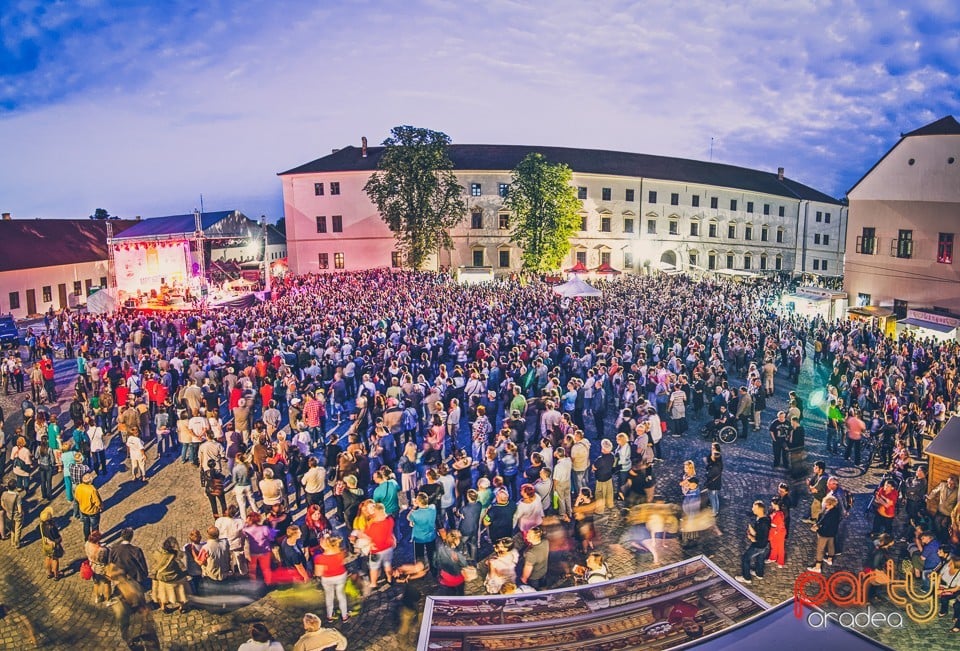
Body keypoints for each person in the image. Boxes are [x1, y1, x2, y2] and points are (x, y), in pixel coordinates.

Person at [314, 534, 350, 623]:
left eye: (322, 540)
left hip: (327, 579)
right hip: (340, 576)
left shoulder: (319, 558)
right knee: (341, 595)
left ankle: (329, 616)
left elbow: (318, 573)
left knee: (329, 596)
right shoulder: (340, 552)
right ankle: (344, 616)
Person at [735, 500, 770, 584]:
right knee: (760, 558)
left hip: (758, 545)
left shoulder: (762, 523)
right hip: (764, 545)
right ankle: (759, 574)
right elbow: (759, 533)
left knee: (745, 558)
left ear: (759, 509)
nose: (752, 509)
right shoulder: (763, 519)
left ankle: (746, 578)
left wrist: (751, 537)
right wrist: (751, 530)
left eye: (754, 508)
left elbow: (759, 538)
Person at [152, 536, 190, 613]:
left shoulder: (157, 553)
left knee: (162, 594)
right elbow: (181, 566)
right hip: (174, 578)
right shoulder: (175, 557)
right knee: (182, 588)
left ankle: (163, 606)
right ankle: (182, 606)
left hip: (162, 578)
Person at [807, 495, 841, 573]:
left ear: (831, 504)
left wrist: (817, 528)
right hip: (832, 532)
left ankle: (818, 566)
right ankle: (830, 559)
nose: (825, 505)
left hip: (825, 534)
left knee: (820, 549)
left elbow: (825, 523)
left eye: (827, 504)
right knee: (831, 545)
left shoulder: (829, 514)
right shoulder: (836, 511)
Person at [74, 472, 103, 542]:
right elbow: (97, 502)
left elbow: (76, 498)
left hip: (83, 510)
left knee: (86, 525)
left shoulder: (79, 487)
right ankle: (95, 540)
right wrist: (101, 507)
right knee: (94, 527)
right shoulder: (92, 489)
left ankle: (86, 539)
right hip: (93, 511)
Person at [520, 526, 549, 590]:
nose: (526, 536)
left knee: (534, 590)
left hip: (534, 577)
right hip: (543, 571)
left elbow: (528, 567)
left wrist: (524, 578)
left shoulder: (531, 553)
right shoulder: (545, 542)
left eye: (529, 536)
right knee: (543, 585)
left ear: (535, 538)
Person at [38, 506, 63, 580]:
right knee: (55, 559)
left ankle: (49, 573)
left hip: (46, 544)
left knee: (48, 558)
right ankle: (56, 575)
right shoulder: (52, 527)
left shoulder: (41, 525)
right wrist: (59, 539)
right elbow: (57, 538)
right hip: (53, 545)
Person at [0, 479, 24, 547]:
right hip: (17, 515)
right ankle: (17, 543)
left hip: (9, 514)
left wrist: (7, 510)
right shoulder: (17, 496)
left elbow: (2, 504)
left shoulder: (4, 494)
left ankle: (12, 541)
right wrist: (22, 513)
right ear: (15, 487)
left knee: (12, 529)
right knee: (18, 529)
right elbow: (19, 509)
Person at [767, 499, 787, 568]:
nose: (771, 505)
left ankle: (780, 562)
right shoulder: (776, 512)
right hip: (774, 530)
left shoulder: (779, 514)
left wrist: (776, 531)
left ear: (776, 505)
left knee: (780, 547)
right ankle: (773, 557)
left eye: (772, 504)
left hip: (778, 532)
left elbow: (780, 525)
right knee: (773, 545)